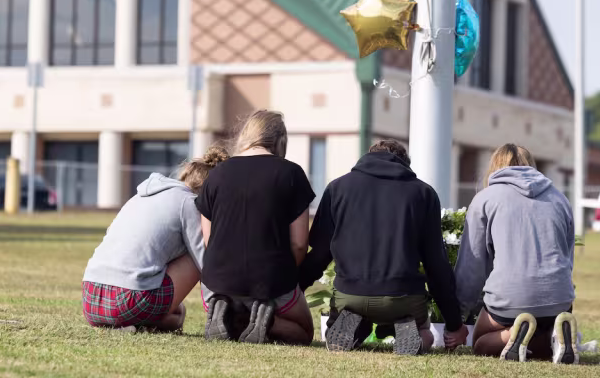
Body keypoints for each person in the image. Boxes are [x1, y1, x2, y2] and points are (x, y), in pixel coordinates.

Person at [299, 139, 469, 354]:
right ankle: (413, 333)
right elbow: (436, 264)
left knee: (350, 315)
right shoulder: (423, 193)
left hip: (350, 294)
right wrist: (454, 324)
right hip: (403, 296)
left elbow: (321, 254)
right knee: (425, 333)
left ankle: (353, 327)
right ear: (405, 163)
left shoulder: (337, 188)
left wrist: (297, 288)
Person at [451, 143, 578, 364]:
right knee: (544, 326)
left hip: (509, 301)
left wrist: (458, 316)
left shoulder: (485, 199)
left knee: (480, 343)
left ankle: (513, 334)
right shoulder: (559, 198)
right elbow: (567, 258)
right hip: (559, 301)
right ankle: (554, 337)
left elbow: (472, 265)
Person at [197, 110, 315, 345]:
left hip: (217, 284)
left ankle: (229, 312)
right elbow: (299, 244)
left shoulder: (217, 174)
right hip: (271, 282)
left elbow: (208, 239)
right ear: (280, 140)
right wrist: (282, 276)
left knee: (235, 307)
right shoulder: (291, 173)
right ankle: (264, 319)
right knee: (304, 332)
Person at [81, 146, 228, 332]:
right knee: (202, 253)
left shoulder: (139, 197)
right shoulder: (189, 203)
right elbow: (207, 265)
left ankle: (127, 325)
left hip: (90, 299)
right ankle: (215, 313)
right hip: (129, 299)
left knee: (176, 317)